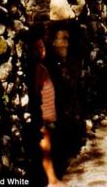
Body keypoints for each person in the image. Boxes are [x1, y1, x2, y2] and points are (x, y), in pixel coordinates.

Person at [33, 38, 64, 186]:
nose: (42, 50)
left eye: (43, 47)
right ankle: (52, 181)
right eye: (38, 48)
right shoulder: (38, 70)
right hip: (44, 117)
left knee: (48, 148)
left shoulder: (41, 68)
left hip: (49, 116)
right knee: (46, 149)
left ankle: (51, 179)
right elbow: (35, 92)